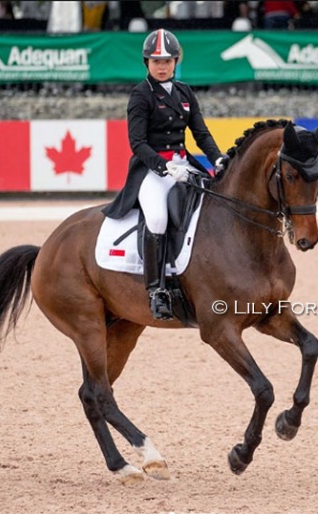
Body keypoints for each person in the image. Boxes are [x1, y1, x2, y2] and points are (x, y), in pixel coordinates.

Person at [102, 29, 224, 321]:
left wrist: (218, 158)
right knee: (157, 217)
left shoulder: (184, 92)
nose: (162, 66)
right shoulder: (141, 94)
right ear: (146, 62)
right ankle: (156, 291)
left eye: (167, 60)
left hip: (185, 165)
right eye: (156, 61)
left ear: (175, 62)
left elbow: (200, 133)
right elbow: (137, 143)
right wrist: (163, 167)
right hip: (153, 170)